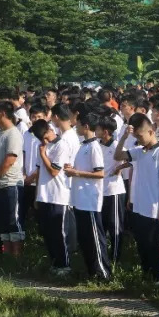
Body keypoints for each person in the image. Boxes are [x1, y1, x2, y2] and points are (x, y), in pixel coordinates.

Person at [116, 113, 159, 282]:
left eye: (140, 136)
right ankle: (147, 275)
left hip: (154, 210)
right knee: (143, 245)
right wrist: (125, 136)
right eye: (136, 137)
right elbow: (118, 156)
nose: (138, 139)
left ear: (151, 131)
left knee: (158, 245)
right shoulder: (140, 152)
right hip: (140, 208)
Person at [65, 111, 111, 279]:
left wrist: (76, 172)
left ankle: (103, 272)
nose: (75, 127)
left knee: (95, 238)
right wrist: (72, 169)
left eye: (78, 125)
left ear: (85, 127)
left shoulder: (94, 147)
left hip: (90, 200)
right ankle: (91, 271)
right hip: (79, 199)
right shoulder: (83, 145)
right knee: (85, 239)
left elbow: (100, 173)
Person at [37, 103, 78, 273]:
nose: (45, 141)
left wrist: (44, 155)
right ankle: (55, 263)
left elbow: (56, 170)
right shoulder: (53, 141)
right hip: (47, 193)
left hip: (61, 192)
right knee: (49, 232)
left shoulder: (64, 141)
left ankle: (65, 264)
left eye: (45, 137)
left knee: (61, 232)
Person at [0, 102, 25, 255]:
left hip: (11, 184)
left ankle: (17, 259)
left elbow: (9, 160)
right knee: (2, 224)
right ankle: (6, 256)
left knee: (13, 222)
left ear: (2, 113)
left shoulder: (13, 134)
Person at [97, 115, 128, 266]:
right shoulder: (97, 145)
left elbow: (131, 159)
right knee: (101, 225)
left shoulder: (117, 145)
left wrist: (119, 168)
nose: (95, 130)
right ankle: (103, 258)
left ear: (105, 131)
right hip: (100, 191)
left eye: (98, 128)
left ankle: (115, 259)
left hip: (114, 190)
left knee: (115, 226)